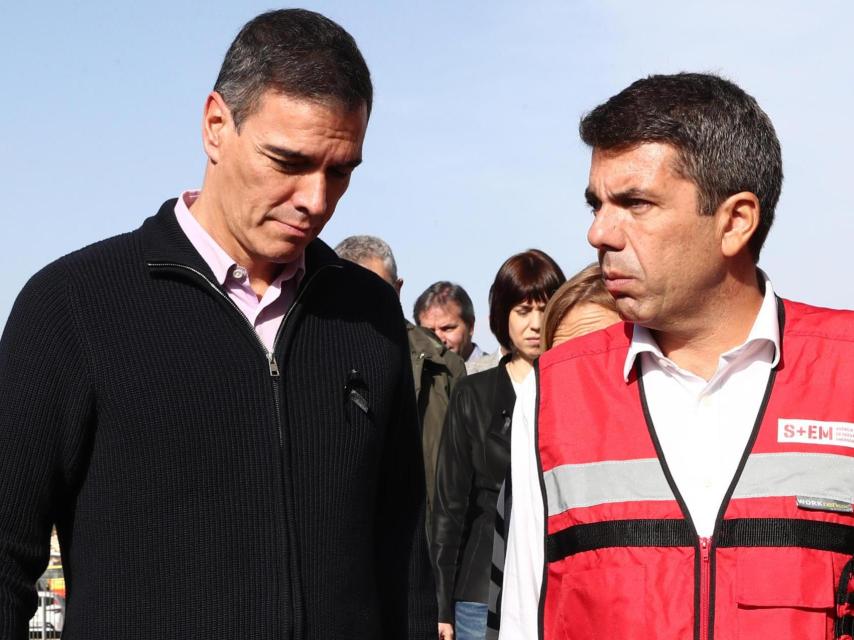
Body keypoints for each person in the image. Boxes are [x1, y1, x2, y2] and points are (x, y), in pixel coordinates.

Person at [0, 10, 435, 640]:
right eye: (288, 160)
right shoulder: (71, 306)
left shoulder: (367, 314)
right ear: (215, 126)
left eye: (340, 170)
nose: (316, 199)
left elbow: (401, 558)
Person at [499, 73, 854, 640]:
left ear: (735, 220)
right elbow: (525, 618)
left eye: (634, 203)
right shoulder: (551, 395)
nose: (598, 232)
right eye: (597, 204)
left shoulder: (845, 373)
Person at [432, 250, 565, 640]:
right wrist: (441, 604)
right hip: (479, 590)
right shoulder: (473, 393)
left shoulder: (572, 388)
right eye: (523, 310)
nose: (535, 324)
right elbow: (449, 508)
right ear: (502, 314)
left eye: (545, 308)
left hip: (554, 585)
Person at [488, 263, 620, 638]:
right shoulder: (536, 438)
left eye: (603, 354)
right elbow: (517, 589)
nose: (585, 380)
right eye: (567, 363)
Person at [334, 235, 466, 531]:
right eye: (355, 289)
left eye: (378, 288)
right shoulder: (313, 359)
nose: (367, 300)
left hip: (431, 541)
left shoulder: (443, 368)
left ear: (398, 288)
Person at [414, 282, 496, 371]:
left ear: (471, 326)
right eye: (430, 332)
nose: (438, 338)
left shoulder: (496, 375)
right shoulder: (415, 377)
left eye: (447, 329)